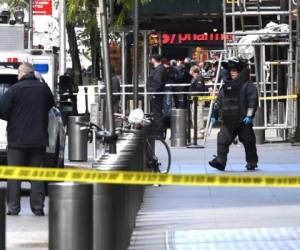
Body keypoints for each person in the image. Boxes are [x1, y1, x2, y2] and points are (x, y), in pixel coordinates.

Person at [0, 62, 54, 216]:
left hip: (17, 140)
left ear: (22, 73)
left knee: (14, 176)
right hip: (38, 140)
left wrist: (12, 118)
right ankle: (38, 208)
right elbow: (50, 106)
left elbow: (1, 108)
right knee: (37, 175)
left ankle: (13, 208)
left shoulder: (14, 90)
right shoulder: (44, 89)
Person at [209, 57, 259, 171]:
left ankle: (252, 162)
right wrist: (214, 114)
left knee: (248, 141)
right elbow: (219, 102)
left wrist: (249, 116)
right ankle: (220, 161)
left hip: (243, 120)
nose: (232, 72)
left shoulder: (248, 85)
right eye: (231, 70)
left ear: (240, 72)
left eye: (235, 70)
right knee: (222, 139)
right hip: (228, 120)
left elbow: (253, 101)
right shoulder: (226, 86)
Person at [147, 54, 167, 139]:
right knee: (156, 113)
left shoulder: (159, 69)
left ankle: (159, 133)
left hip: (156, 95)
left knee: (157, 114)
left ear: (154, 59)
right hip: (155, 94)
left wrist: (153, 92)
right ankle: (157, 132)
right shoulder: (158, 69)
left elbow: (157, 82)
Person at [189, 65, 205, 139]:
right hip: (194, 99)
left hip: (198, 100)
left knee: (198, 115)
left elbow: (199, 90)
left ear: (193, 71)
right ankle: (196, 131)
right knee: (194, 116)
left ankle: (200, 132)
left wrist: (193, 95)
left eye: (190, 70)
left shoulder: (199, 78)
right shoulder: (194, 78)